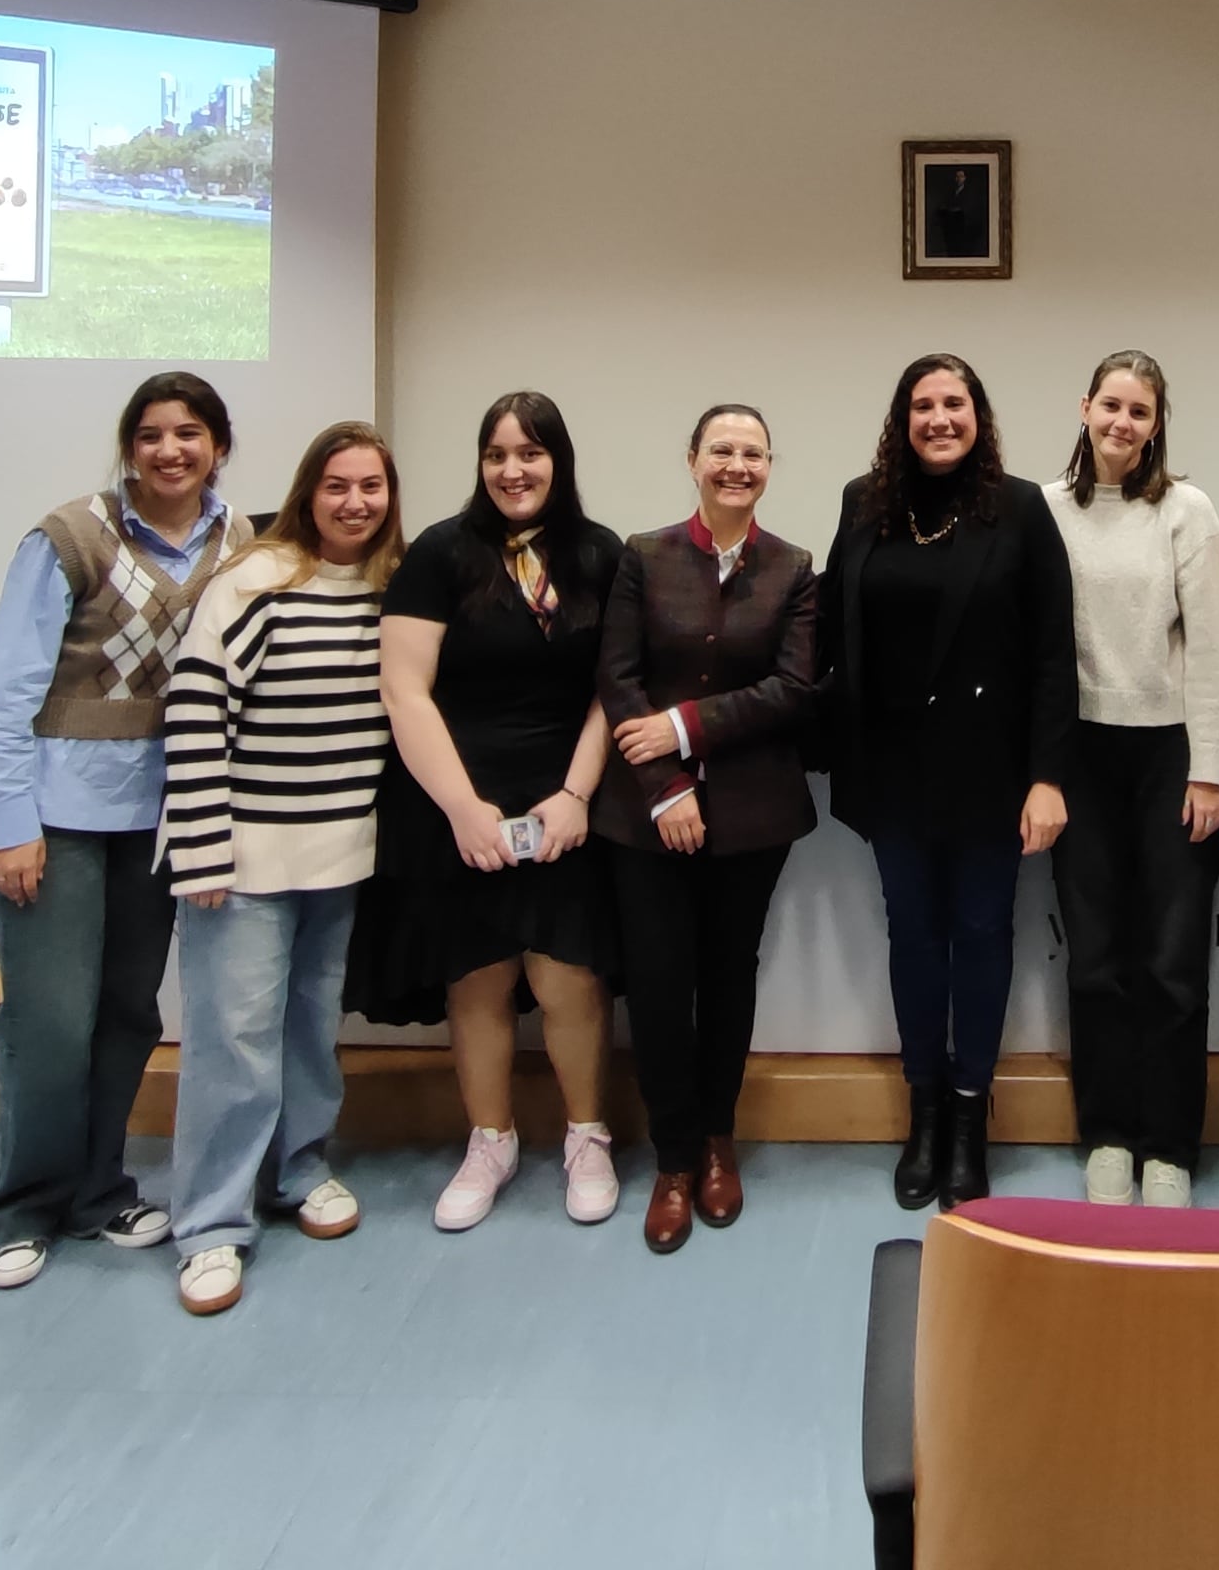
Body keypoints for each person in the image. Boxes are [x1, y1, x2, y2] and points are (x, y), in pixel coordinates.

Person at [0, 372, 251, 1293]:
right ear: (129, 447)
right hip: (53, 819)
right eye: (152, 435)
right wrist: (10, 824)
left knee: (127, 1014)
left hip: (159, 819)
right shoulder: (70, 537)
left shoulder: (237, 542)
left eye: (190, 433)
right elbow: (4, 693)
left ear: (219, 447)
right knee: (49, 1021)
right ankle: (21, 1208)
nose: (171, 451)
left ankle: (98, 1189)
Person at [350, 393, 628, 1233]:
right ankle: (491, 1141)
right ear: (480, 465)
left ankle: (588, 1138)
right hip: (454, 797)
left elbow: (616, 689)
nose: (514, 470)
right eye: (497, 455)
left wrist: (578, 793)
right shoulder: (440, 552)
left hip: (567, 799)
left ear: (559, 461)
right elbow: (404, 688)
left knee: (567, 973)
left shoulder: (599, 553)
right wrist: (463, 809)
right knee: (479, 975)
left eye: (531, 454)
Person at [818, 353, 1077, 1213]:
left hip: (989, 772)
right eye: (923, 404)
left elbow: (1050, 653)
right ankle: (923, 1113)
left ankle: (971, 1115)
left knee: (982, 933)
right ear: (903, 417)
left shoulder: (1021, 507)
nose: (939, 418)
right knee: (914, 937)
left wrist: (1047, 776)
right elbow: (830, 627)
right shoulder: (865, 502)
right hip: (889, 767)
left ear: (979, 415)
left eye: (954, 403)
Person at [158, 421, 402, 1317]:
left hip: (338, 857)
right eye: (337, 485)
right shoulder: (256, 583)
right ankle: (212, 1226)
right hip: (245, 860)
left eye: (371, 487)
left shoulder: (384, 589)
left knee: (307, 1029)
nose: (354, 503)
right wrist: (203, 848)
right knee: (232, 1039)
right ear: (308, 492)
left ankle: (301, 1169)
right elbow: (195, 713)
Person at [595, 403, 822, 1254]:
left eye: (753, 452)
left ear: (770, 465)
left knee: (728, 979)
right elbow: (618, 681)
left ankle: (720, 1140)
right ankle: (673, 1158)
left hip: (752, 814)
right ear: (692, 460)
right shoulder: (642, 556)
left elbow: (795, 688)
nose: (737, 464)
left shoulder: (794, 568)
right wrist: (663, 785)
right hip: (644, 816)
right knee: (657, 986)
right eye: (721, 450)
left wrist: (684, 727)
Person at [1043, 352, 1219, 1209]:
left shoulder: (1185, 509)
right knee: (1096, 959)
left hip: (1170, 758)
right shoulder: (1044, 509)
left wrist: (1211, 770)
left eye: (1141, 412)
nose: (1123, 423)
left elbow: (1214, 646)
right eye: (1111, 405)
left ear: (1158, 425)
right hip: (1080, 753)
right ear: (1084, 408)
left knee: (1171, 962)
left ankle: (1168, 1146)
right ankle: (1109, 1135)